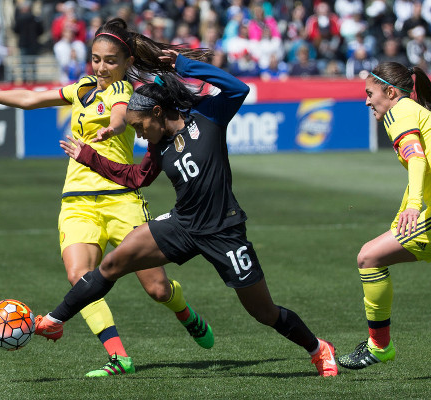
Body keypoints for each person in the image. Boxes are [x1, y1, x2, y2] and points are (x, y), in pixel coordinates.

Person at [36, 49, 339, 377]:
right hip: (182, 224)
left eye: (139, 127)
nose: (139, 135)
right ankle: (54, 321)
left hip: (224, 230)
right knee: (112, 264)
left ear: (156, 112)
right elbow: (136, 178)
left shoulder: (207, 116)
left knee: (264, 312)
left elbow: (238, 88)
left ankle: (318, 349)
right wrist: (89, 157)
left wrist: (181, 64)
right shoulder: (159, 145)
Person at [0, 18, 213, 377]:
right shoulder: (80, 88)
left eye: (110, 60)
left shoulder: (128, 92)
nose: (101, 67)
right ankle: (119, 358)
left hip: (121, 199)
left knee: (156, 288)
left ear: (126, 61)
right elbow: (29, 98)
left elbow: (120, 117)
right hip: (76, 201)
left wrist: (114, 127)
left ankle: (186, 313)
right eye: (96, 59)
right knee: (80, 277)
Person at [337, 62, 431, 370]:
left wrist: (414, 205)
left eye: (370, 93)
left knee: (368, 257)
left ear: (390, 92)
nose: (366, 101)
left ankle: (379, 347)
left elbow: (417, 158)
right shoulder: (415, 111)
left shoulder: (399, 112)